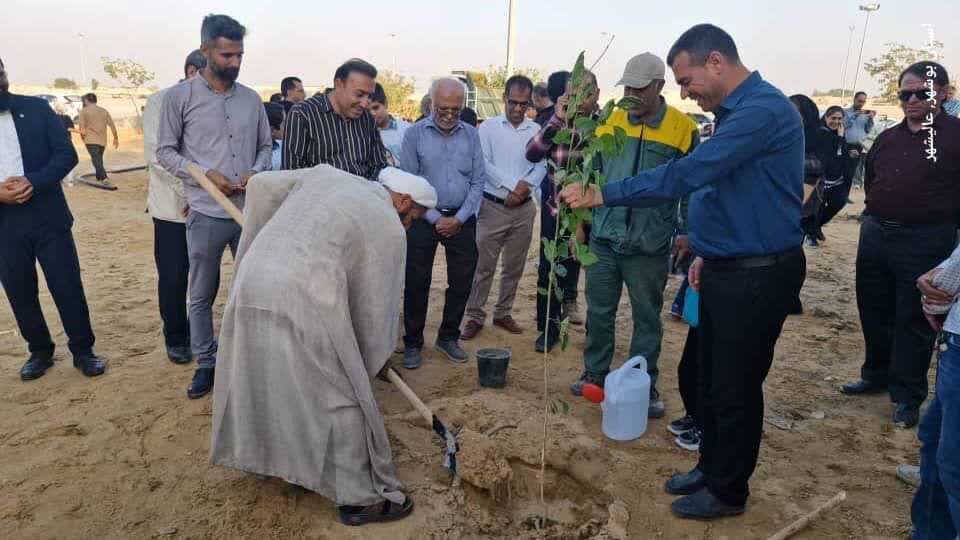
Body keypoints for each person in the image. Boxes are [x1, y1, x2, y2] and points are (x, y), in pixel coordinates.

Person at [560, 24, 805, 520]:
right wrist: (704, 254)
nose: (684, 91)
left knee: (734, 386)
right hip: (724, 267)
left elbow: (689, 175)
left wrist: (605, 193)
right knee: (703, 378)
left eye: (686, 79)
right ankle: (711, 465)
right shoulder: (735, 114)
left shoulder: (762, 112)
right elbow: (718, 192)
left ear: (716, 61)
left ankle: (728, 490)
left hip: (756, 274)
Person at [210, 165, 436, 527]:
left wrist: (265, 234)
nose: (411, 224)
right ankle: (359, 499)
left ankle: (273, 462)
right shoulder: (389, 224)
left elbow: (263, 185)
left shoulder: (329, 175)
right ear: (404, 201)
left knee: (268, 376)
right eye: (415, 216)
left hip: (254, 278)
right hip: (303, 296)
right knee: (341, 394)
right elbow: (378, 305)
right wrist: (373, 356)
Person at [568, 53, 699, 424]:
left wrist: (686, 231)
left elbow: (690, 187)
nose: (630, 95)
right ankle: (594, 371)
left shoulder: (682, 129)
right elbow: (590, 171)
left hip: (649, 244)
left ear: (659, 86)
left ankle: (645, 381)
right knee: (599, 310)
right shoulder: (610, 120)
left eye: (639, 89)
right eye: (627, 87)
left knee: (647, 317)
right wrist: (581, 222)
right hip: (605, 239)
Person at [157, 14, 272, 400]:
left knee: (252, 287)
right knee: (202, 293)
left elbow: (265, 147)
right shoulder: (179, 98)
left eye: (239, 54)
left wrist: (256, 172)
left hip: (248, 212)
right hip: (206, 212)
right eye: (226, 55)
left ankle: (250, 358)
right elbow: (165, 153)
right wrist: (206, 174)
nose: (235, 62)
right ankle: (206, 361)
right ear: (205, 50)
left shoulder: (251, 99)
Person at [841, 61, 960, 429]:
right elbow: (873, 178)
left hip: (926, 240)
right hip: (876, 234)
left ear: (941, 93)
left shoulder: (956, 136)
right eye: (903, 94)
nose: (911, 100)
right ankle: (876, 373)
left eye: (919, 93)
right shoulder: (889, 137)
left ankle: (907, 396)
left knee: (913, 317)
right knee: (873, 307)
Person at [0, 56, 106, 381]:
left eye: (0, 72)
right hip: (4, 221)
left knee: (66, 284)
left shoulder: (35, 109)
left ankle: (83, 350)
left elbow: (66, 154)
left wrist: (34, 180)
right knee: (19, 290)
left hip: (47, 214)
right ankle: (40, 351)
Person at [398, 78, 484, 369]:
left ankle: (448, 337)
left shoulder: (472, 135)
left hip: (463, 217)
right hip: (423, 218)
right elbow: (409, 183)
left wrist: (458, 219)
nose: (449, 115)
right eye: (443, 109)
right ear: (431, 103)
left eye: (456, 110)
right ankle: (412, 343)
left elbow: (478, 181)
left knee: (461, 282)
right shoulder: (414, 135)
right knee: (416, 282)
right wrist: (436, 218)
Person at [461, 75, 544, 340]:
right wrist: (512, 187)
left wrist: (524, 189)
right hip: (492, 207)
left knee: (514, 266)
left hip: (524, 209)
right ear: (503, 99)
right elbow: (483, 164)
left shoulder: (536, 131)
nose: (518, 108)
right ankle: (474, 315)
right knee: (483, 266)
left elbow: (542, 164)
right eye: (513, 102)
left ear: (530, 102)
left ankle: (503, 312)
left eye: (523, 103)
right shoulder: (487, 129)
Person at [142, 49, 207, 364]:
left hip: (208, 206)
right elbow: (158, 157)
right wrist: (189, 196)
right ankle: (176, 336)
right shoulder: (160, 101)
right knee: (173, 276)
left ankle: (200, 333)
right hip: (173, 209)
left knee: (203, 275)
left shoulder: (214, 101)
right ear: (193, 71)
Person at [526, 69, 592, 352]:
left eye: (587, 92)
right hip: (557, 213)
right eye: (574, 92)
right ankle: (548, 330)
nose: (581, 99)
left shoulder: (603, 127)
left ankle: (595, 335)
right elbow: (531, 153)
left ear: (597, 95)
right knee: (549, 270)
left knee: (597, 273)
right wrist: (557, 119)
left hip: (593, 214)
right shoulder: (557, 125)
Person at [283, 59, 387, 179]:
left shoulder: (367, 119)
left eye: (369, 96)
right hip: (317, 195)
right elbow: (291, 173)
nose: (364, 104)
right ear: (339, 85)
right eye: (359, 94)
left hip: (365, 193)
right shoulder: (303, 114)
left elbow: (379, 165)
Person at [790, 94, 832, 248]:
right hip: (783, 191)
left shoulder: (821, 134)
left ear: (806, 113)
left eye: (795, 112)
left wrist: (785, 161)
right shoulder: (787, 133)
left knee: (794, 238)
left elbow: (819, 165)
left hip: (808, 193)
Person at [816, 105, 853, 232]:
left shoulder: (839, 132)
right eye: (833, 118)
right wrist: (840, 138)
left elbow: (840, 150)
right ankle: (812, 233)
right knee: (818, 207)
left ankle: (815, 227)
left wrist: (849, 151)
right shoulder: (820, 132)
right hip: (822, 178)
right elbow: (829, 152)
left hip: (837, 178)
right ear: (826, 117)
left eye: (839, 118)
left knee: (839, 202)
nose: (836, 122)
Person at [77, 92, 118, 187]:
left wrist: (82, 137)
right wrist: (116, 138)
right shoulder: (104, 111)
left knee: (96, 159)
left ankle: (104, 178)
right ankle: (99, 176)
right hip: (103, 140)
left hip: (90, 139)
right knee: (98, 158)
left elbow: (81, 128)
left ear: (86, 101)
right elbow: (112, 125)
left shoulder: (84, 111)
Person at [369, 82, 411, 166]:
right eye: (367, 111)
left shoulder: (407, 130)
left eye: (375, 107)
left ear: (386, 104)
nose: (372, 114)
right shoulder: (363, 135)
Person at [843, 91, 874, 189]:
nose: (861, 104)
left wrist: (870, 119)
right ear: (854, 99)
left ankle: (856, 185)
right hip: (848, 144)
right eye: (859, 101)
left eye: (863, 102)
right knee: (847, 167)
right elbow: (843, 125)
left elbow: (867, 130)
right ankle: (844, 189)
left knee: (858, 166)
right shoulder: (845, 112)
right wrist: (853, 116)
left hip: (860, 144)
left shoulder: (865, 114)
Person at [263, 102, 284, 170]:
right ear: (272, 130)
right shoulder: (275, 161)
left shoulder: (283, 145)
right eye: (283, 124)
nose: (288, 127)